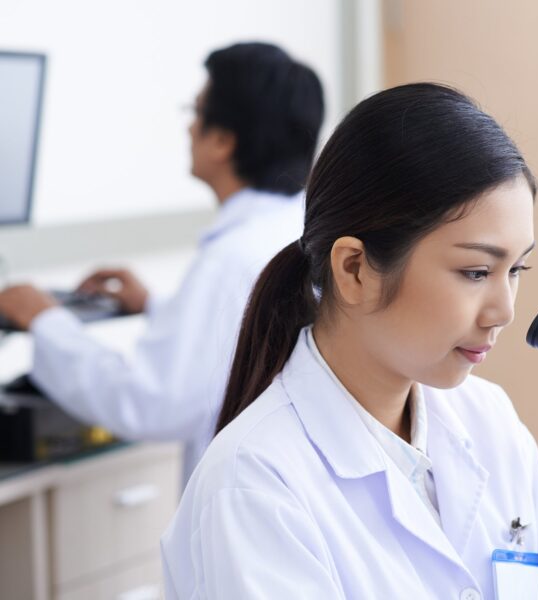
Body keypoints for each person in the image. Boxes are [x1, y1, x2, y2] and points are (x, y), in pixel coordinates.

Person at [161, 83, 538, 598]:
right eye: (476, 271)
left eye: (516, 268)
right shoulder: (256, 484)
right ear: (354, 269)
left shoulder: (486, 419)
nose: (504, 310)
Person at [0, 42, 325, 483]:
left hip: (251, 493)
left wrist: (44, 320)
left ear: (222, 141)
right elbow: (242, 335)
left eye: (196, 113)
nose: (189, 128)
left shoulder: (231, 259)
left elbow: (151, 402)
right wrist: (158, 307)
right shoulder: (299, 228)